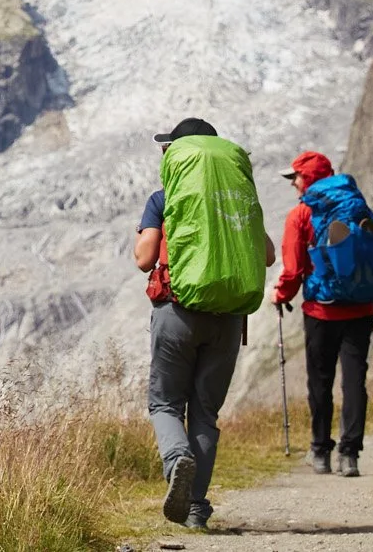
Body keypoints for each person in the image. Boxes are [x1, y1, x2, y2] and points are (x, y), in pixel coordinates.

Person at [135, 117, 276, 531]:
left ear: (175, 155)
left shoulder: (163, 199)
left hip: (177, 313)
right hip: (228, 320)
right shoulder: (238, 200)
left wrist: (146, 238)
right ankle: (196, 508)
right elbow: (266, 255)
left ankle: (177, 459)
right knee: (205, 412)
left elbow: (145, 259)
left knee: (164, 403)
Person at [271, 150, 373, 478]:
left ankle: (320, 451)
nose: (293, 183)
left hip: (321, 310)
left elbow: (293, 269)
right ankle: (349, 455)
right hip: (360, 308)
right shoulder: (358, 205)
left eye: (295, 177)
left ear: (307, 178)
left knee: (320, 381)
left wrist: (280, 296)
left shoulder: (301, 215)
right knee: (354, 380)